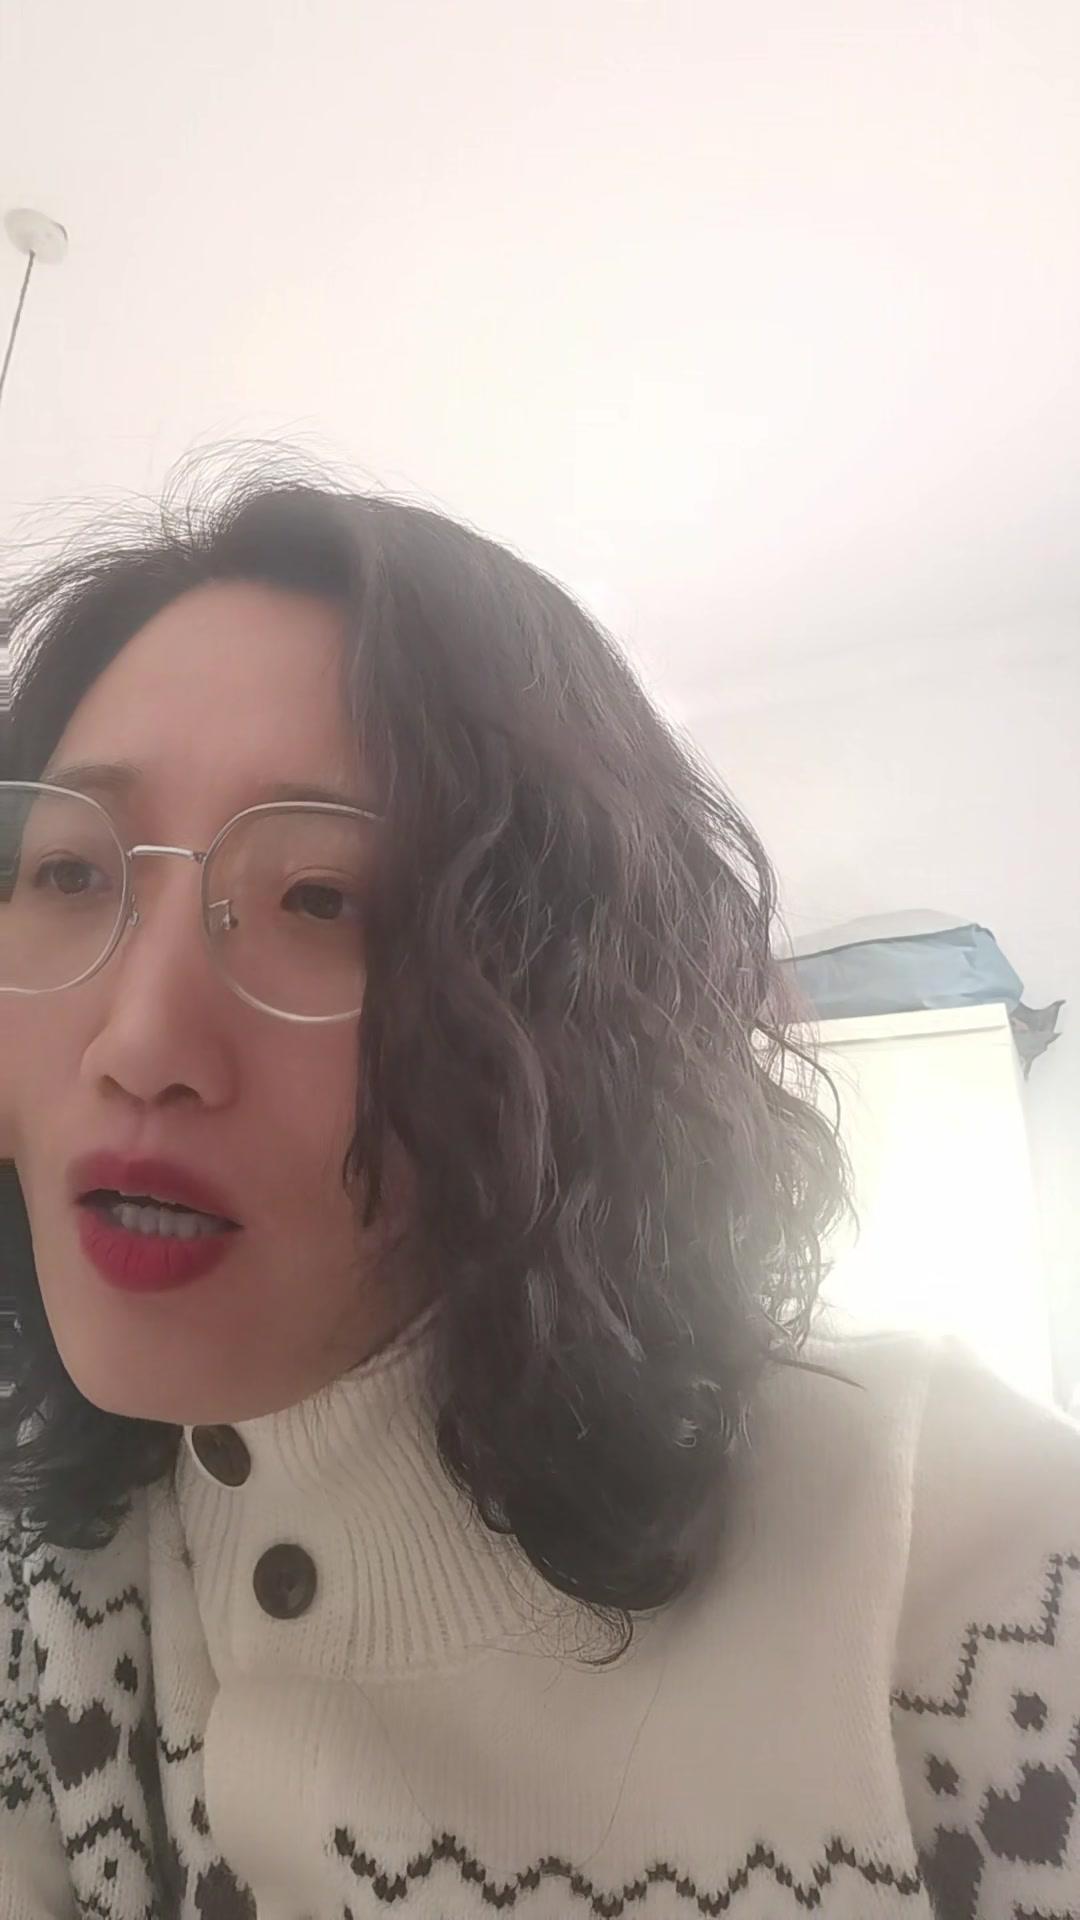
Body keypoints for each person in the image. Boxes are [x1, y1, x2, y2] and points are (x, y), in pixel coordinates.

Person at [0, 463, 1077, 1920]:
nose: (138, 1045)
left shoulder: (959, 1551)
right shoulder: (54, 1587)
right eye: (68, 873)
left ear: (563, 1021)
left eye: (324, 899)